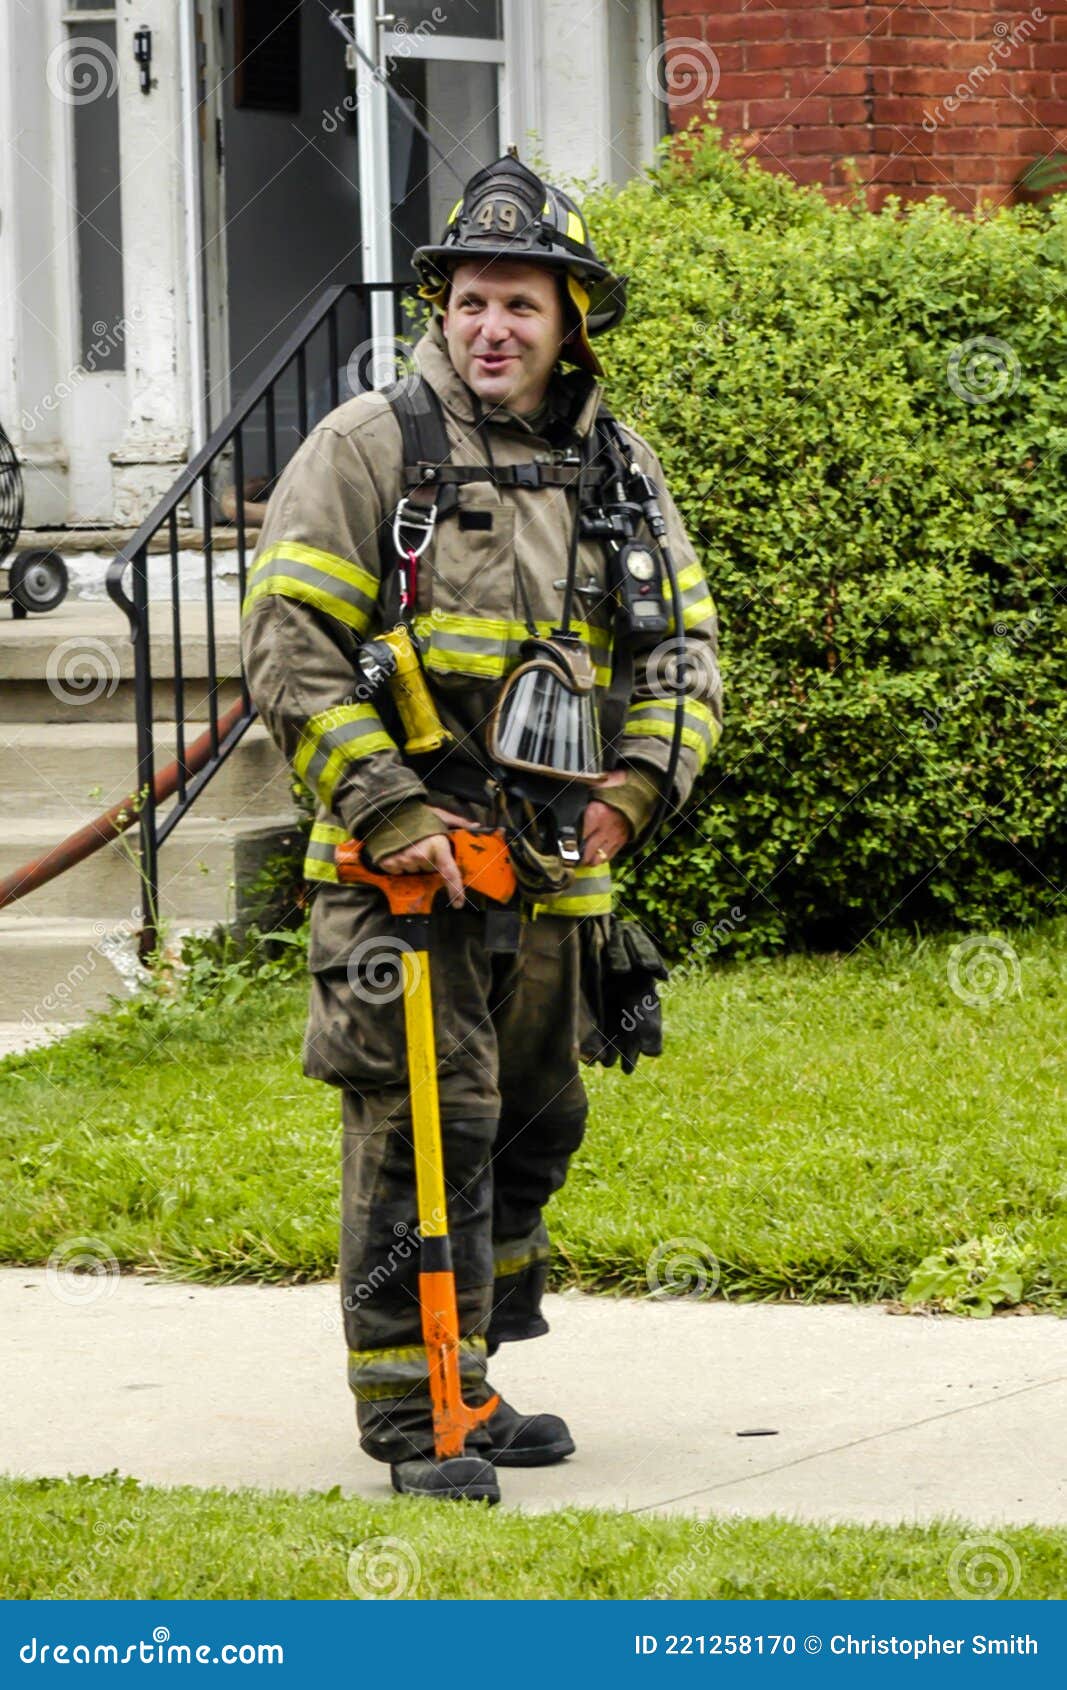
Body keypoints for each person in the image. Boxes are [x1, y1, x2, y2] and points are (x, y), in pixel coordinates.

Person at [241, 154, 722, 1504]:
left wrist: (628, 800)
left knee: (525, 1126)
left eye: (522, 305)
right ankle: (411, 1408)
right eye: (470, 303)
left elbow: (687, 653)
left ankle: (481, 1375)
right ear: (442, 312)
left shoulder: (619, 469)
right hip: (402, 884)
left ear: (571, 320)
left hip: (556, 886)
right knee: (419, 1126)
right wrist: (389, 808)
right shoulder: (367, 449)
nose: (492, 328)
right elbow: (289, 648)